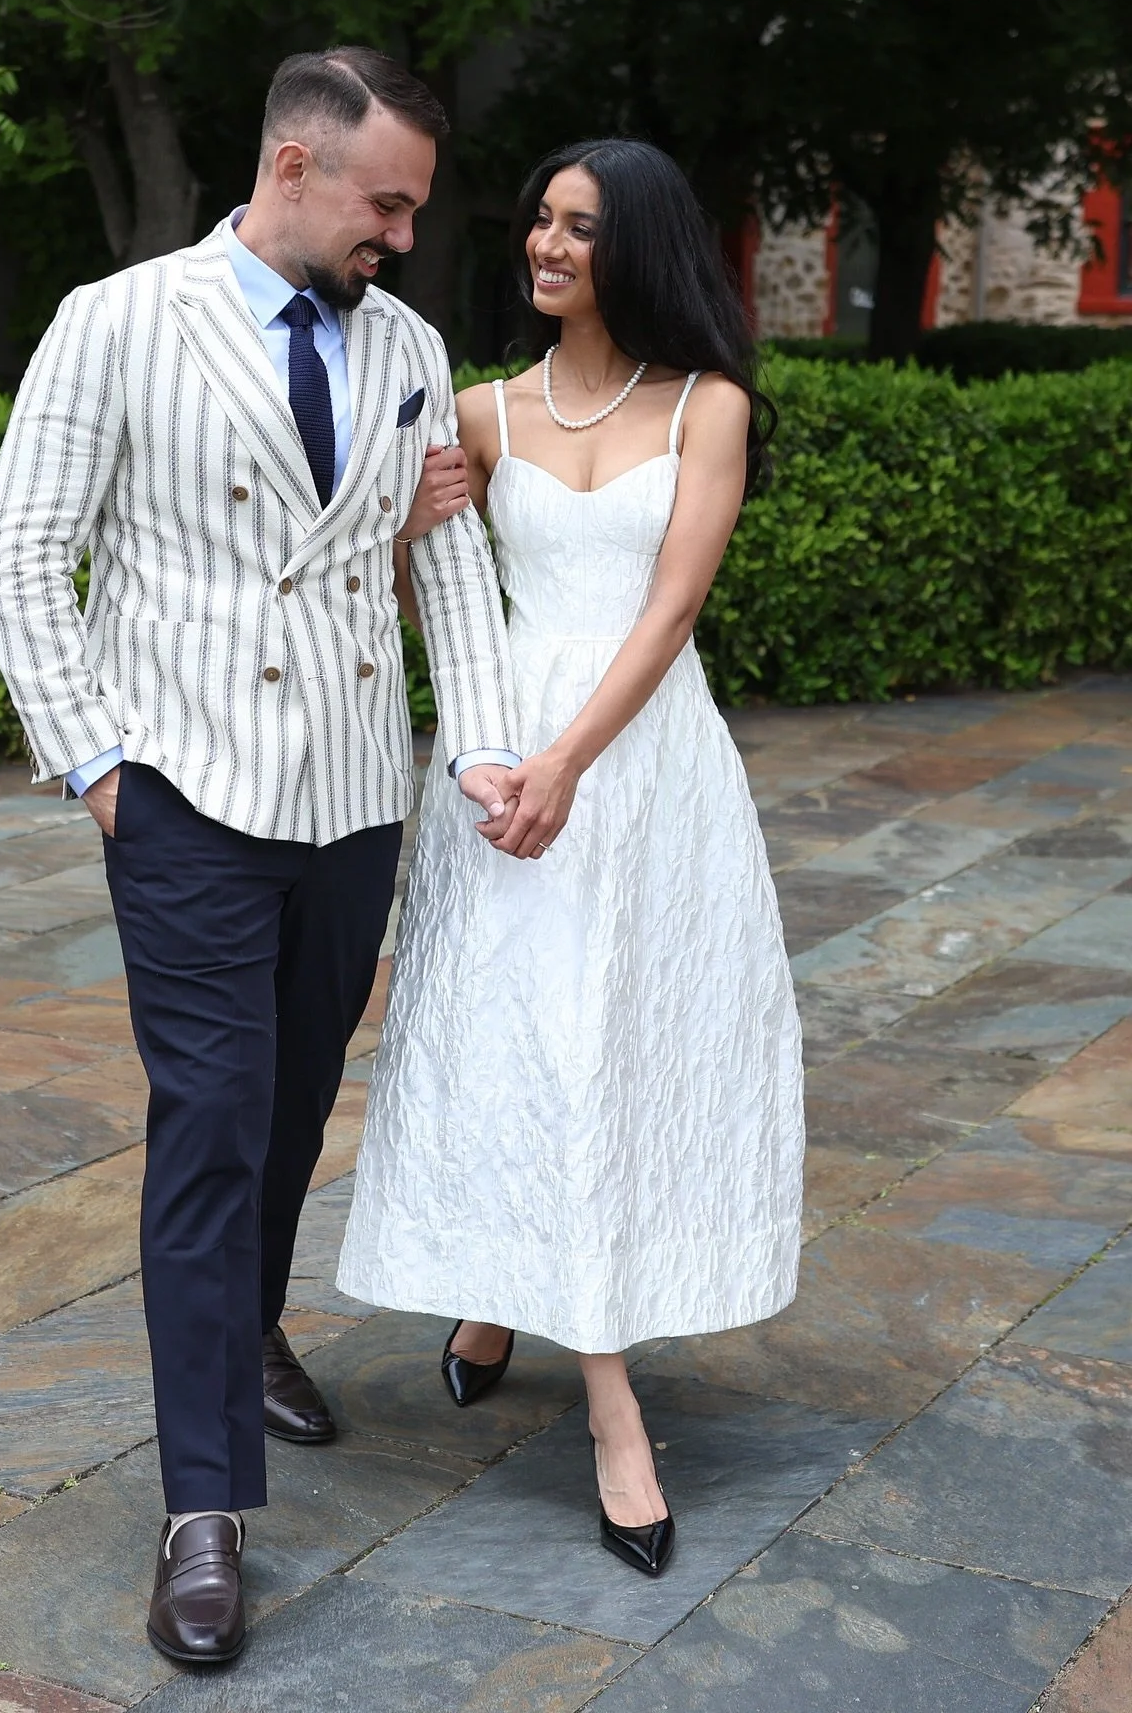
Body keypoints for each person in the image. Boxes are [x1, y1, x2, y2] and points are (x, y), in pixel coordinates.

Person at [0, 47, 522, 1666]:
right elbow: (23, 550)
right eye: (387, 202)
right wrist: (94, 765)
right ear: (295, 164)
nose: (405, 237)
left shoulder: (408, 345)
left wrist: (482, 755)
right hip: (189, 800)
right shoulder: (119, 319)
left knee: (293, 1099)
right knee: (210, 1120)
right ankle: (201, 1509)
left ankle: (250, 1325)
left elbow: (450, 576)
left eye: (416, 208)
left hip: (353, 794)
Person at [337, 137, 805, 1579]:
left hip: (640, 765)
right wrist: (435, 602)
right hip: (504, 765)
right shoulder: (479, 411)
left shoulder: (707, 408)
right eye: (541, 219)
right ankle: (555, 1354)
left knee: (614, 1050)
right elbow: (444, 591)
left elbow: (667, 620)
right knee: (518, 1040)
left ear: (641, 248)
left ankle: (567, 1356)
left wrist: (571, 764)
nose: (545, 244)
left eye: (579, 227)